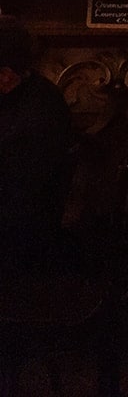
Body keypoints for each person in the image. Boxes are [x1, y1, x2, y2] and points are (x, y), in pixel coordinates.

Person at [0, 16, 73, 275]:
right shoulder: (29, 92)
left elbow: (21, 194)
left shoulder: (39, 114)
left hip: (23, 242)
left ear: (6, 75)